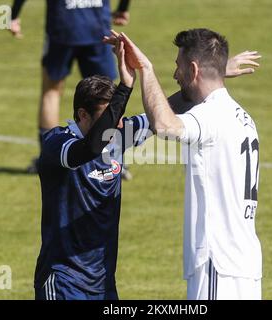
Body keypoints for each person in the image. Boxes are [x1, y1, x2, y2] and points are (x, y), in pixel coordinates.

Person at [106, 29, 263, 300]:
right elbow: (176, 107)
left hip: (218, 263)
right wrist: (218, 71)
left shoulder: (210, 116)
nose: (175, 75)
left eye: (178, 66)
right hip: (243, 264)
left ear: (193, 69)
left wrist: (146, 69)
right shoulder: (241, 116)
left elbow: (165, 124)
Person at [34, 38, 153, 300]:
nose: (117, 125)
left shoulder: (117, 134)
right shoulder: (58, 144)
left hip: (103, 284)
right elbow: (88, 150)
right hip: (64, 281)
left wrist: (211, 78)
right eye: (108, 117)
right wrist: (126, 86)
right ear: (82, 115)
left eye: (119, 117)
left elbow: (167, 112)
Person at [9, 0, 132, 177]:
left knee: (51, 91)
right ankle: (113, 159)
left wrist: (13, 15)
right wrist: (122, 9)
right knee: (107, 95)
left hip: (63, 25)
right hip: (96, 26)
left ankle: (48, 157)